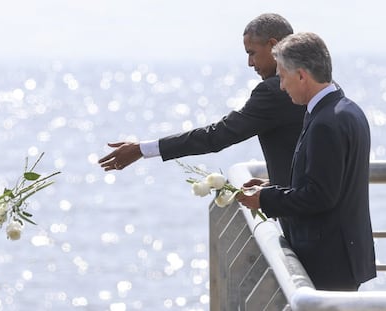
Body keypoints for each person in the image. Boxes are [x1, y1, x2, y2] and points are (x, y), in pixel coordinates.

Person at [99, 13, 306, 191]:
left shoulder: (273, 91)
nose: (249, 63)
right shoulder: (317, 81)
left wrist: (142, 150)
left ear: (273, 45)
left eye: (252, 53)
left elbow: (216, 136)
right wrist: (274, 184)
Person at [237, 32, 376, 291]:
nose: (280, 86)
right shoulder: (348, 110)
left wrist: (264, 200)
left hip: (328, 261)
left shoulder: (325, 122)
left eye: (283, 76)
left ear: (301, 75)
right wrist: (272, 187)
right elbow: (331, 180)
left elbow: (320, 196)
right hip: (344, 254)